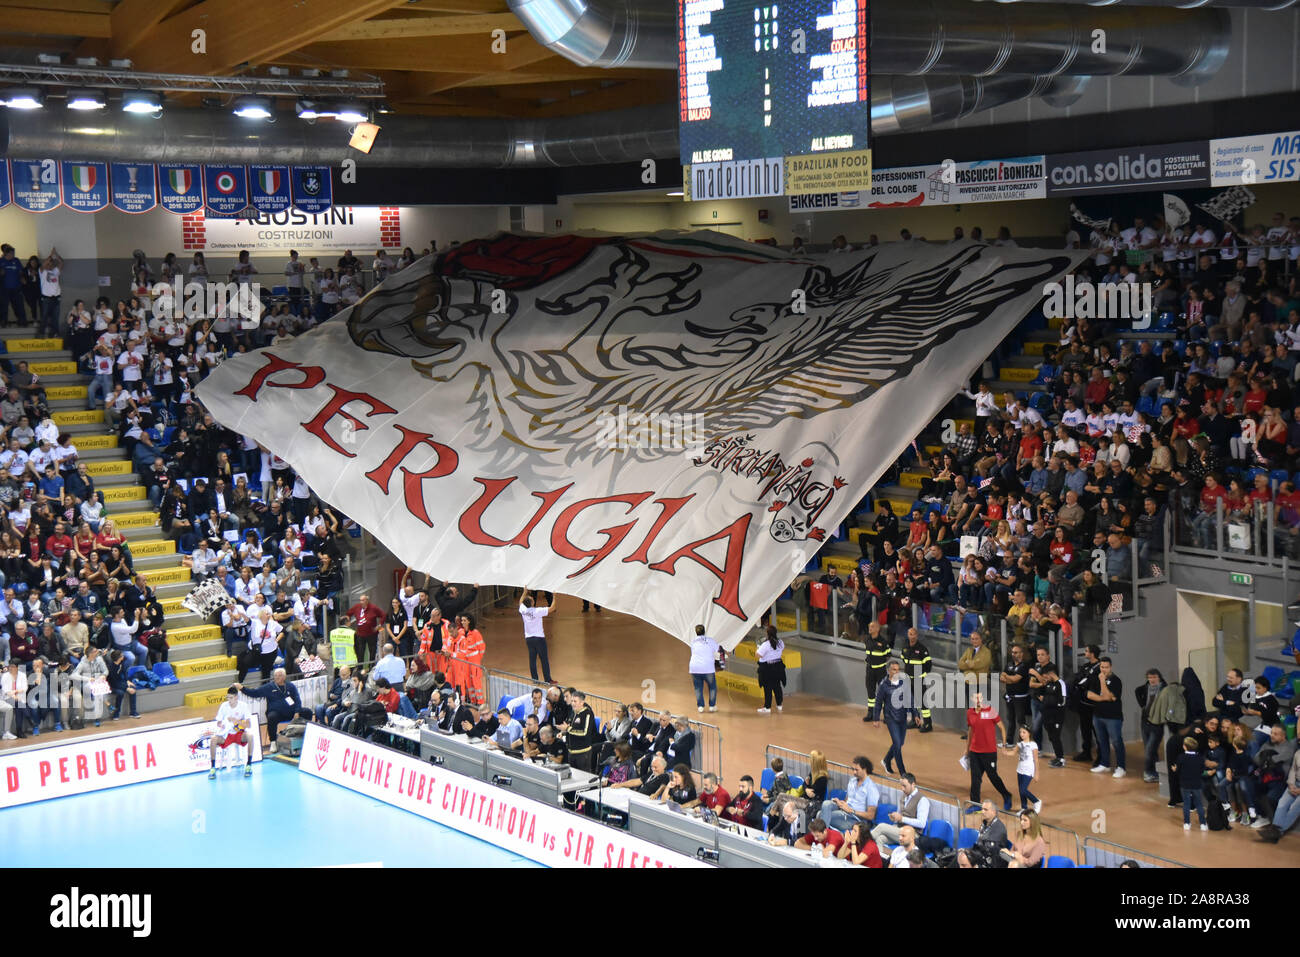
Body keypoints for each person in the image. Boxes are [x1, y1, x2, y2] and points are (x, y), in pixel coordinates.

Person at [236, 670, 311, 752]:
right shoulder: (269, 687)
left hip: (291, 712)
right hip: (277, 713)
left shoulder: (290, 686)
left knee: (307, 712)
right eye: (275, 676)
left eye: (279, 675)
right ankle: (273, 742)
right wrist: (242, 688)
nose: (277, 677)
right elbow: (254, 693)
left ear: (284, 677)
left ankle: (306, 736)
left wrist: (297, 711)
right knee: (271, 717)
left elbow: (297, 699)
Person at [966, 691, 1013, 812]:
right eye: (975, 697)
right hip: (975, 751)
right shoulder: (970, 713)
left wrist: (1003, 745)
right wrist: (967, 750)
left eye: (980, 697)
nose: (978, 700)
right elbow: (970, 732)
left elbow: (1002, 727)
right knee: (975, 778)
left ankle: (1006, 795)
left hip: (989, 752)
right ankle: (975, 803)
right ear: (972, 699)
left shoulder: (990, 711)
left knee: (993, 776)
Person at [1087, 656, 1126, 778]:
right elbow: (1089, 694)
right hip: (1098, 715)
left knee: (1116, 741)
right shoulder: (1095, 678)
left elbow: (1111, 696)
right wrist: (1104, 698)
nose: (1104, 670)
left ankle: (1121, 767)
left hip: (1113, 717)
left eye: (1106, 667)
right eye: (1102, 667)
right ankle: (1105, 763)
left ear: (1111, 667)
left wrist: (1103, 682)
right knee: (1102, 741)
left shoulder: (1116, 680)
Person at [871, 772, 930, 847]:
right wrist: (895, 818)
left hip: (912, 834)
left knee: (881, 827)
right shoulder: (902, 796)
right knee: (880, 839)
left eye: (905, 786)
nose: (902, 789)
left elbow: (922, 824)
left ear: (913, 784)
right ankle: (879, 858)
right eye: (901, 786)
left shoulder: (922, 800)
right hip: (899, 829)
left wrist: (902, 818)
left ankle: (860, 842)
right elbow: (899, 815)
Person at [873, 658, 911, 775]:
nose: (897, 672)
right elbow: (878, 702)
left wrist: (913, 713)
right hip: (890, 718)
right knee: (898, 745)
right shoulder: (884, 685)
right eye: (894, 670)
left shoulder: (903, 683)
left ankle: (886, 760)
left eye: (898, 670)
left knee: (899, 743)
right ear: (889, 671)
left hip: (902, 717)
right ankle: (903, 772)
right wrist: (876, 718)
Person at [822, 756, 879, 831]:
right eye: (853, 769)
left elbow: (870, 816)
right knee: (826, 804)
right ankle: (824, 834)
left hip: (856, 820)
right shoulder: (852, 781)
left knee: (821, 815)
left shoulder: (871, 788)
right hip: (844, 813)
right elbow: (847, 800)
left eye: (857, 770)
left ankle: (824, 835)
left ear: (864, 769)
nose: (854, 772)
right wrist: (840, 803)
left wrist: (852, 811)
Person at [209, 686, 254, 778]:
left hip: (239, 734)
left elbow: (249, 725)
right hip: (226, 734)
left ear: (236, 697)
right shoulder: (224, 706)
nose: (229, 700)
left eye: (231, 697)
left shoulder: (243, 706)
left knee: (250, 736)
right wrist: (221, 724)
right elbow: (218, 722)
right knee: (213, 740)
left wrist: (236, 721)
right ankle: (212, 768)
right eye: (227, 697)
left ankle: (249, 765)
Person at [518, 589, 556, 683]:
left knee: (532, 660)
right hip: (539, 638)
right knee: (544, 659)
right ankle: (548, 679)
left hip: (529, 638)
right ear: (532, 603)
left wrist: (524, 591)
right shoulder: (538, 611)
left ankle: (535, 680)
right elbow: (552, 608)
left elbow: (520, 602)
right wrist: (554, 596)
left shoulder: (523, 610)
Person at [1174, 735, 1209, 831]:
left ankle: (1187, 823)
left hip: (1185, 784)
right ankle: (1203, 824)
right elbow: (1202, 770)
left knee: (1186, 804)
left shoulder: (1181, 757)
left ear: (1184, 746)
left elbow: (1178, 771)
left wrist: (1175, 769)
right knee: (1199, 804)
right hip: (1197, 784)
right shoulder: (1200, 758)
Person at [560, 689, 596, 772]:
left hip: (582, 753)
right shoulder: (574, 712)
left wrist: (567, 729)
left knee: (583, 778)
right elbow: (570, 727)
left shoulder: (587, 714)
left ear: (582, 702)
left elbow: (584, 732)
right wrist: (563, 732)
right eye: (572, 701)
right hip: (571, 752)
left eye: (575, 701)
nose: (572, 703)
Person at [687, 623, 720, 713]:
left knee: (698, 688)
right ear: (704, 631)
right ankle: (712, 706)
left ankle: (700, 706)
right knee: (712, 687)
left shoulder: (693, 642)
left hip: (695, 668)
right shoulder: (711, 640)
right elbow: (718, 650)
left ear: (696, 632)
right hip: (708, 668)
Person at [756, 624, 786, 713]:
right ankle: (779, 705)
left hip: (767, 669)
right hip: (778, 667)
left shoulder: (765, 644)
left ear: (767, 634)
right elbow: (782, 649)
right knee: (777, 686)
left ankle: (767, 707)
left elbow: (758, 655)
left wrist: (758, 648)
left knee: (767, 688)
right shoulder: (780, 642)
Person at [1014, 724, 1041, 814]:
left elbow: (1036, 760)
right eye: (1020, 732)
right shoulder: (1019, 744)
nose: (1021, 734)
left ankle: (1036, 801)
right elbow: (1013, 753)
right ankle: (1024, 808)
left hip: (1028, 770)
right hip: (1020, 770)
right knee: (1020, 790)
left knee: (1023, 790)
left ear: (1029, 733)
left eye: (1024, 732)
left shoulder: (1033, 745)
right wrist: (1005, 751)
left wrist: (1036, 773)